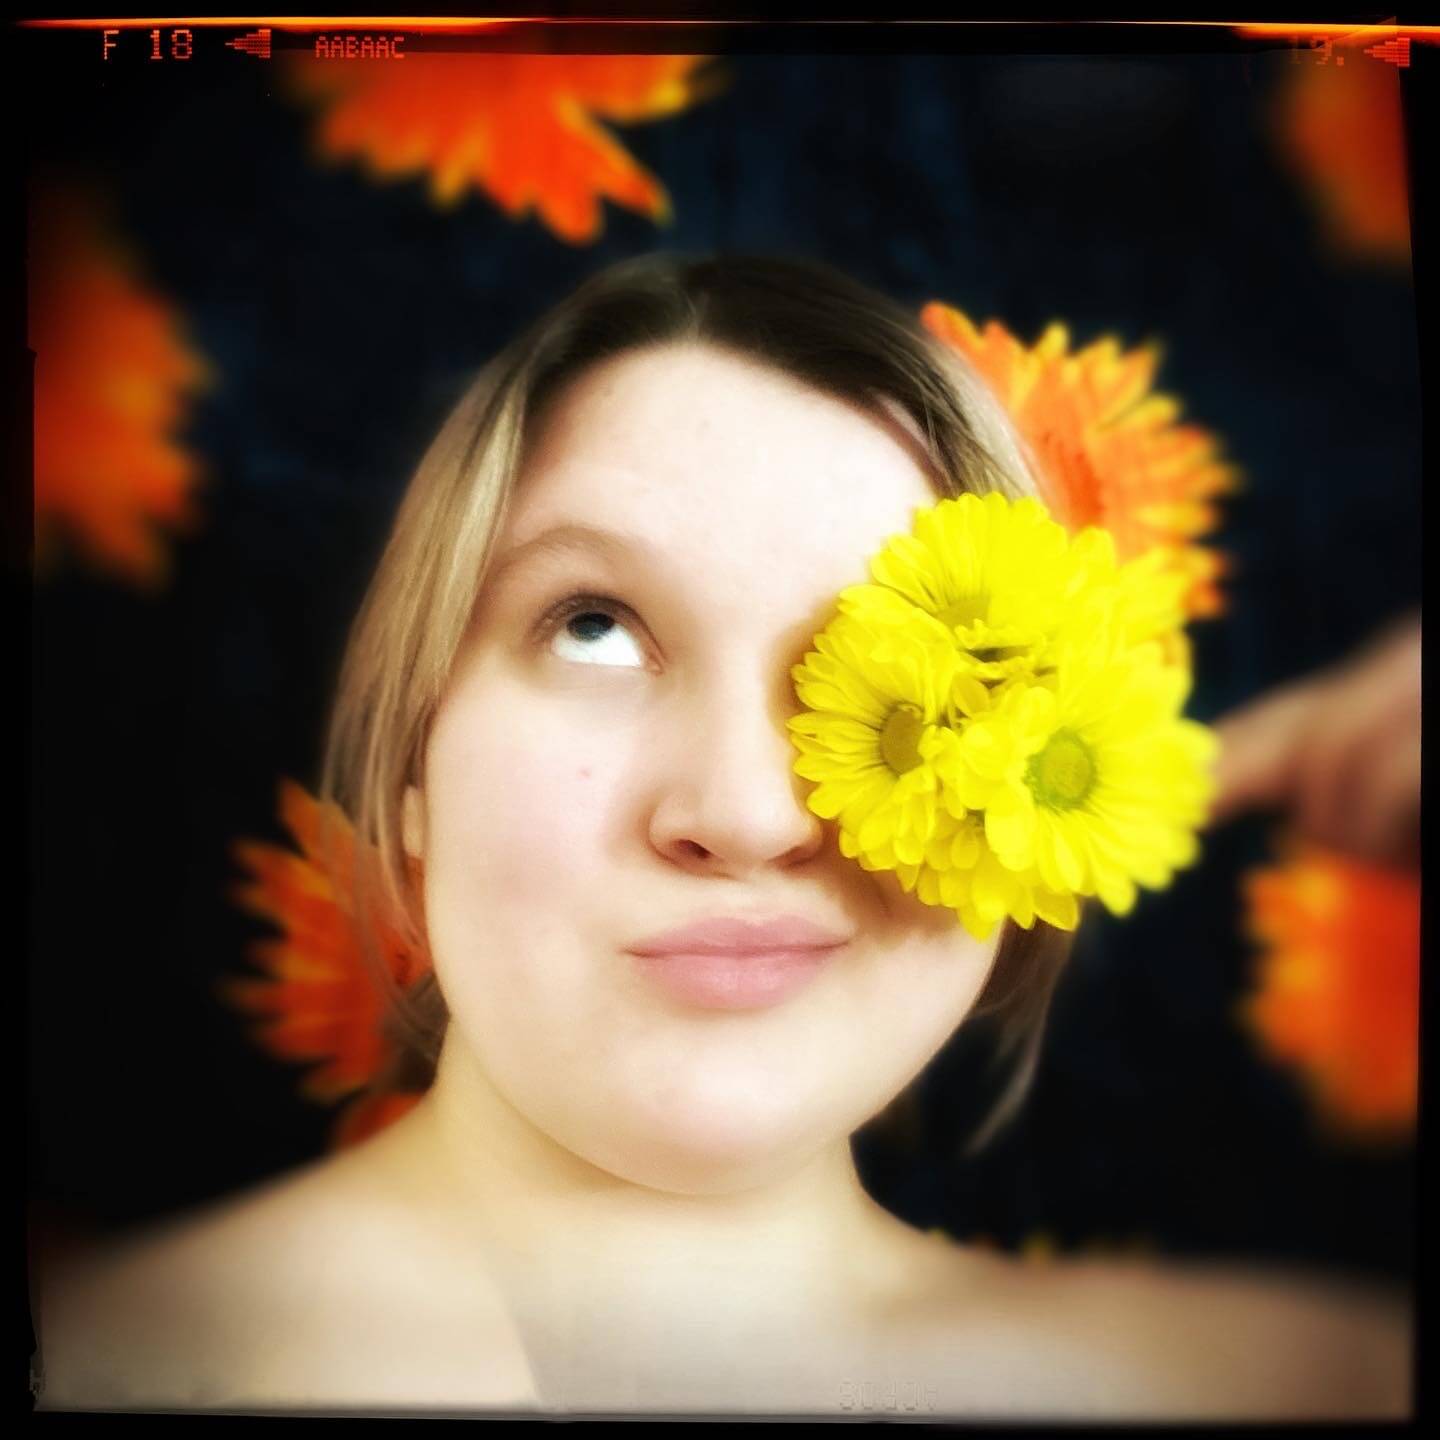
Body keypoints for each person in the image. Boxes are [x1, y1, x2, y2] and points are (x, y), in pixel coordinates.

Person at [33, 254, 1411, 1418]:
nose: (747, 815)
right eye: (594, 628)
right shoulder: (83, 1367)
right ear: (410, 778)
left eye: (881, 676)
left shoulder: (1319, 1386)